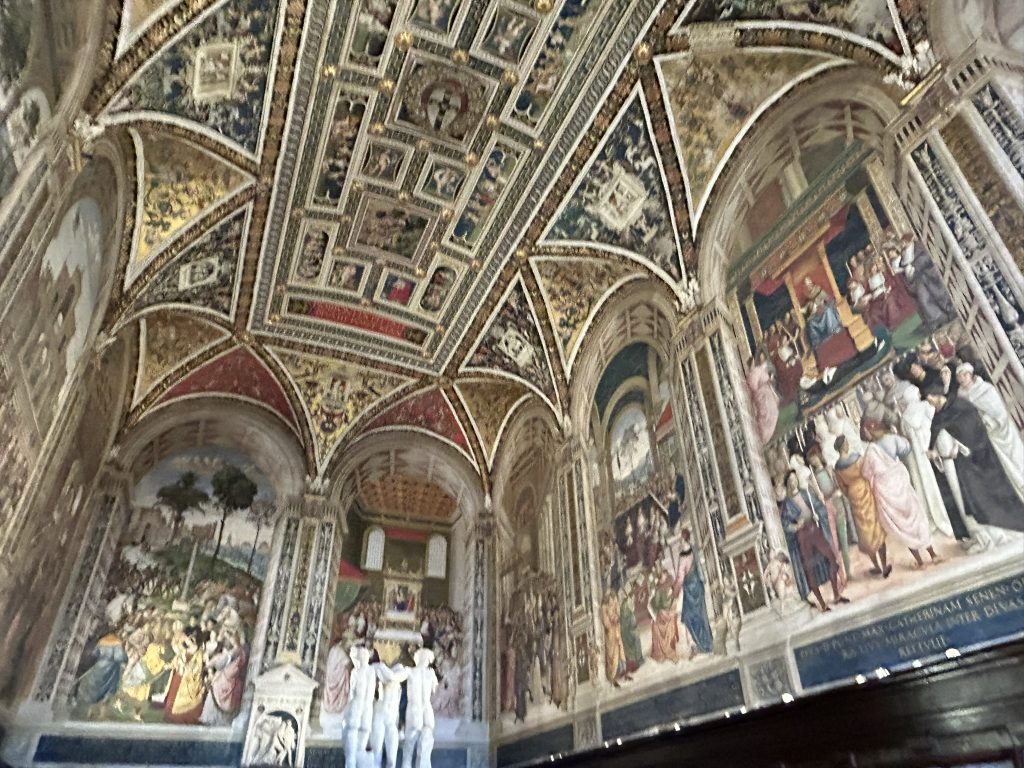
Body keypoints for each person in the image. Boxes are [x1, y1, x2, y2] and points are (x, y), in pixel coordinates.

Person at [926, 382, 1024, 534]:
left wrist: (960, 442)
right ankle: (989, 520)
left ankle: (1012, 518)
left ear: (936, 396)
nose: (929, 402)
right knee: (976, 491)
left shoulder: (960, 404)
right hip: (966, 460)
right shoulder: (939, 415)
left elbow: (972, 422)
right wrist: (932, 449)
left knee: (996, 485)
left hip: (982, 451)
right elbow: (935, 431)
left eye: (929, 398)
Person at [861, 421, 941, 568]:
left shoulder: (871, 451)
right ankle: (933, 555)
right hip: (900, 482)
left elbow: (866, 472)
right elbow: (906, 449)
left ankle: (920, 562)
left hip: (886, 490)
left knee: (902, 525)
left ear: (870, 431)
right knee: (915, 517)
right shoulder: (892, 439)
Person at [779, 471, 849, 613]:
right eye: (790, 481)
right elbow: (785, 525)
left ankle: (836, 595)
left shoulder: (805, 494)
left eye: (795, 479)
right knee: (810, 569)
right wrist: (796, 526)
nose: (793, 483)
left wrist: (818, 511)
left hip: (814, 530)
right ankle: (822, 604)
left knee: (832, 559)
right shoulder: (787, 504)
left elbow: (817, 506)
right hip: (803, 537)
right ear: (787, 485)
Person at [957, 363, 1024, 501]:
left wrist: (990, 421)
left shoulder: (986, 389)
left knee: (1017, 456)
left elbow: (999, 410)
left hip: (1004, 431)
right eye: (959, 376)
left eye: (964, 375)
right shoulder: (962, 396)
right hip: (990, 436)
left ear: (970, 374)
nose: (962, 378)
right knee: (1006, 465)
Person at [833, 436, 891, 577]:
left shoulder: (837, 468)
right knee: (875, 528)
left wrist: (851, 494)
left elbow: (843, 488)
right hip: (865, 490)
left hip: (853, 495)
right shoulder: (857, 459)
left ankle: (877, 566)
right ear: (844, 446)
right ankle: (883, 566)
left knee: (864, 532)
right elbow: (867, 473)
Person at [675, 530, 713, 657]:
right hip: (698, 586)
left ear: (684, 540)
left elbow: (680, 578)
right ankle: (706, 642)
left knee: (687, 617)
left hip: (690, 590)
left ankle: (694, 646)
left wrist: (674, 593)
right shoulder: (694, 550)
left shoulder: (683, 557)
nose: (679, 542)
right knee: (701, 615)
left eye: (680, 540)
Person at [403, 648, 439, 768]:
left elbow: (394, 677)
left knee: (410, 750)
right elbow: (434, 690)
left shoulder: (410, 671)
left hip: (416, 710)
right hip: (425, 710)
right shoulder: (430, 673)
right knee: (423, 750)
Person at [370, 661, 409, 768]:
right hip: (379, 717)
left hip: (391, 720)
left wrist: (381, 668)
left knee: (392, 760)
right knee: (376, 755)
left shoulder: (398, 675)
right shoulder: (376, 671)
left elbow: (393, 677)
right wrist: (380, 668)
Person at [344, 646, 375, 768]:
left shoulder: (361, 672)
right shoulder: (358, 672)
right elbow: (353, 692)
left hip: (362, 705)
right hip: (362, 705)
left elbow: (353, 692)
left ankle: (354, 761)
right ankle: (351, 763)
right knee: (355, 733)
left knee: (360, 734)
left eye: (366, 656)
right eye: (363, 656)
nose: (365, 658)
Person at [746, 350, 780, 444]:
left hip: (766, 398)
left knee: (769, 414)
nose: (761, 360)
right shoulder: (759, 371)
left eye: (763, 358)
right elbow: (753, 385)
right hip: (765, 398)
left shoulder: (760, 370)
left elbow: (752, 384)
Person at [648, 567, 680, 662]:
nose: (662, 578)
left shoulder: (660, 589)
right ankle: (668, 648)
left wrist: (652, 600)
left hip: (665, 613)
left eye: (662, 576)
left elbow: (657, 604)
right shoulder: (671, 584)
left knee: (655, 626)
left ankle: (663, 652)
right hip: (670, 612)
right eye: (661, 577)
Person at [599, 589, 625, 686]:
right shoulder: (604, 607)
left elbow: (617, 612)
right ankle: (612, 676)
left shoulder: (614, 602)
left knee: (619, 650)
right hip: (610, 633)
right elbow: (606, 622)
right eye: (609, 598)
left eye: (612, 598)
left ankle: (622, 672)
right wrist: (611, 621)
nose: (611, 600)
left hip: (616, 630)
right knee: (611, 654)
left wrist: (616, 617)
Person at [618, 582, 642, 676]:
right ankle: (634, 662)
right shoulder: (622, 605)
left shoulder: (627, 601)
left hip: (630, 626)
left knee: (636, 637)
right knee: (632, 641)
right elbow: (625, 616)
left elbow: (631, 611)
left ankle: (638, 659)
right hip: (626, 629)